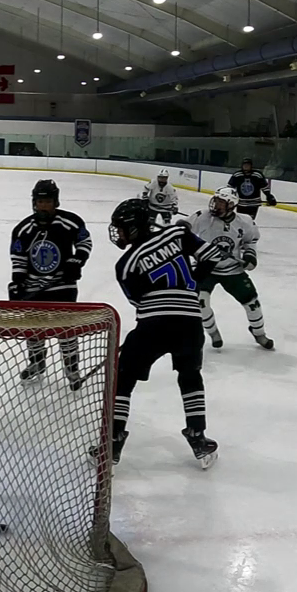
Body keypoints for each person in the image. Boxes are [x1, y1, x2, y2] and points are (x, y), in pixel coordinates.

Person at [99, 198, 228, 469]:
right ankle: (198, 438)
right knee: (190, 376)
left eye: (122, 228)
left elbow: (139, 301)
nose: (119, 233)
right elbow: (213, 256)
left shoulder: (125, 264)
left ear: (135, 228)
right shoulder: (179, 234)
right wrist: (192, 283)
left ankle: (113, 441)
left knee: (124, 376)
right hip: (190, 322)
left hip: (153, 324)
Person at [9, 179, 93, 387]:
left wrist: (77, 259)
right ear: (34, 202)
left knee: (65, 328)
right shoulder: (23, 229)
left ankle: (72, 368)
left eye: (47, 201)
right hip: (33, 287)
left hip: (62, 285)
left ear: (55, 202)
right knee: (34, 329)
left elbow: (84, 241)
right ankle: (37, 362)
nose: (43, 205)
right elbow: (18, 257)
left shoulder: (70, 222)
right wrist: (18, 281)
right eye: (39, 201)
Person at [188, 188, 274, 351]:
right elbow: (184, 230)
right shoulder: (202, 216)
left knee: (252, 303)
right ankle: (213, 332)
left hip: (232, 269)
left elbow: (251, 241)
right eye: (216, 201)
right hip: (205, 267)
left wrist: (249, 255)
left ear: (231, 205)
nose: (216, 205)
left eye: (221, 202)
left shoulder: (245, 221)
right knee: (200, 301)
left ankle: (259, 333)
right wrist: (182, 228)